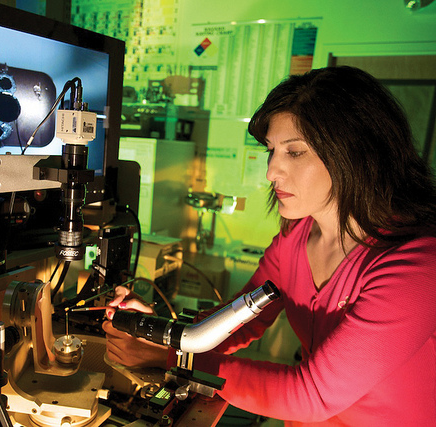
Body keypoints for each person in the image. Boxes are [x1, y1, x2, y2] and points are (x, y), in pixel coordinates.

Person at [102, 66, 436, 426]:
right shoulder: (294, 239)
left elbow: (311, 394)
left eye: (295, 152)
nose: (271, 171)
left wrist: (167, 359)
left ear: (355, 155)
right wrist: (162, 333)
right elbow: (238, 323)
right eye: (271, 150)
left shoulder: (417, 266)